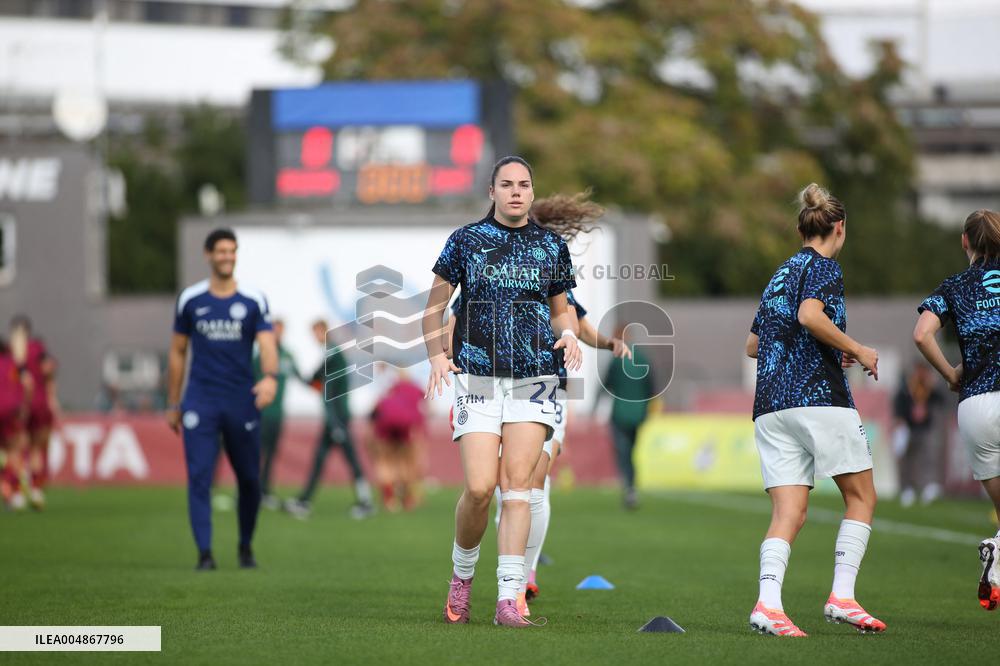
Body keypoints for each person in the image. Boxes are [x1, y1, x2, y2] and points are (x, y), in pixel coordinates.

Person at [424, 155, 581, 628]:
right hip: (476, 376)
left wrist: (570, 334)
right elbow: (433, 309)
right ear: (491, 191)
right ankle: (462, 578)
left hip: (536, 379)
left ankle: (509, 599)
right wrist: (435, 353)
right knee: (479, 488)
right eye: (507, 184)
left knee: (517, 490)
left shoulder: (551, 246)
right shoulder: (466, 240)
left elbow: (562, 309)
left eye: (525, 184)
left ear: (533, 193)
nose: (516, 191)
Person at [745, 183, 884, 636]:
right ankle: (842, 597)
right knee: (862, 497)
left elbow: (753, 345)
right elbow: (809, 315)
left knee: (789, 512)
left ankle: (768, 605)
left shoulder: (780, 273)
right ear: (839, 228)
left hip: (770, 405)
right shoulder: (825, 267)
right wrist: (856, 348)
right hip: (818, 399)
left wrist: (827, 346)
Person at [167, 227, 278, 571]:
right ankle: (204, 553)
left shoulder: (252, 300)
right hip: (200, 400)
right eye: (221, 251)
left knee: (248, 479)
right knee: (199, 477)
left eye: (232, 251)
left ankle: (245, 546)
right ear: (208, 255)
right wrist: (174, 402)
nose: (227, 256)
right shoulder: (191, 300)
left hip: (240, 400)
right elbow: (177, 352)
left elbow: (267, 344)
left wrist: (270, 378)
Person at [912, 208, 1000, 611]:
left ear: (964, 241)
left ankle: (996, 559)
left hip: (977, 406)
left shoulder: (955, 286)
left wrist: (951, 372)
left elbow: (922, 334)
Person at [284, 319, 374, 520]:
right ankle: (305, 501)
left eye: (316, 332)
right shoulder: (331, 353)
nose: (314, 337)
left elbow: (327, 389)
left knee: (350, 460)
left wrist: (335, 424)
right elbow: (314, 382)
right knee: (322, 460)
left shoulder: (332, 353)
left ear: (323, 331)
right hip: (334, 418)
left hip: (337, 417)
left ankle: (365, 502)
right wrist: (295, 371)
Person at [599, 323, 654, 510]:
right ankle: (631, 487)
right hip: (638, 414)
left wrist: (593, 410)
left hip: (620, 413)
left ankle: (629, 487)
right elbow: (651, 388)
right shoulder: (642, 358)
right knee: (630, 450)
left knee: (623, 452)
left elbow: (605, 386)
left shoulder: (616, 360)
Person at [253, 318, 305, 508]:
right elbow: (248, 381)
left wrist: (324, 385)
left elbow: (302, 378)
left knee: (271, 454)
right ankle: (249, 491)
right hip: (260, 412)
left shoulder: (287, 356)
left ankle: (265, 490)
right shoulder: (261, 356)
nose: (277, 334)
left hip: (277, 414)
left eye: (280, 330)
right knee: (255, 453)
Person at [9, 316, 57, 511]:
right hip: (41, 403)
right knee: (36, 448)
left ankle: (18, 492)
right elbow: (49, 370)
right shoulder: (39, 348)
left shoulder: (12, 352)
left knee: (18, 449)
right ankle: (36, 489)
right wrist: (52, 397)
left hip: (22, 404)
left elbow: (23, 378)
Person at [369, 369, 426, 512]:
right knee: (406, 462)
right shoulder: (416, 389)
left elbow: (376, 407)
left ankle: (390, 499)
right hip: (406, 423)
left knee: (384, 460)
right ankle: (407, 498)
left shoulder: (392, 388)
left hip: (386, 421)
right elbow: (425, 409)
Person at [891, 361, 944, 507]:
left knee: (927, 458)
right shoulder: (907, 387)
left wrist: (934, 385)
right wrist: (900, 420)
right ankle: (907, 489)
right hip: (907, 428)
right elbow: (898, 403)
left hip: (924, 428)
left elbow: (941, 400)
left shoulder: (929, 387)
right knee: (906, 460)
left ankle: (928, 486)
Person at [0, 335, 31, 510]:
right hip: (10, 412)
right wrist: (24, 405)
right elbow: (29, 383)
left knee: (5, 453)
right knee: (14, 450)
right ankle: (13, 490)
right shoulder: (14, 364)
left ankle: (7, 487)